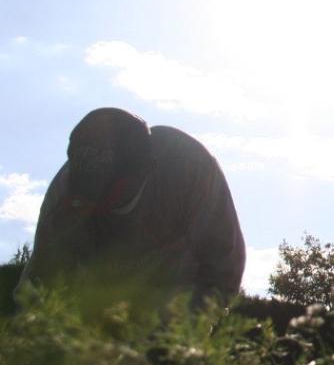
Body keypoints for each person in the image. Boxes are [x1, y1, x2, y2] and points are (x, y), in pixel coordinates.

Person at [16, 107, 246, 311]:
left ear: (141, 172)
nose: (99, 204)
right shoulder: (65, 190)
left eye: (108, 191)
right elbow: (39, 277)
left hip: (176, 289)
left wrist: (189, 330)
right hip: (100, 290)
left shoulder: (189, 167)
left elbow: (223, 263)